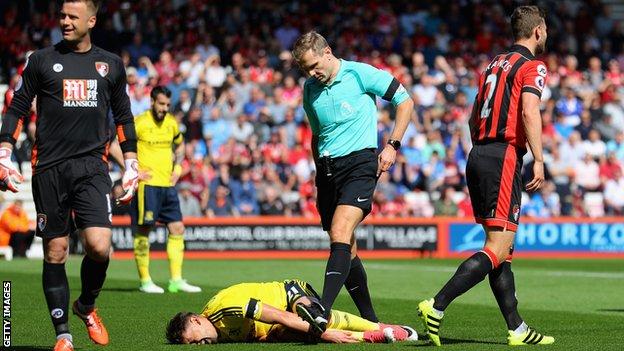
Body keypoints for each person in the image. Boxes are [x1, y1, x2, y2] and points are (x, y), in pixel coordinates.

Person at [0, 1, 139, 351]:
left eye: (72, 17)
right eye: (62, 15)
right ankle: (63, 335)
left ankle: (86, 306)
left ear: (91, 21)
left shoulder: (111, 65)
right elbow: (18, 107)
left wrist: (132, 162)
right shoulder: (41, 60)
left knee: (99, 246)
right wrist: (3, 150)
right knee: (56, 252)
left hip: (93, 168)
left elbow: (123, 117)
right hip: (49, 168)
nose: (64, 21)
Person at [417, 6, 554, 346]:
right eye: (546, 30)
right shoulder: (532, 66)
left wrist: (482, 149)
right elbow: (528, 110)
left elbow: (473, 114)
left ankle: (517, 328)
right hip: (504, 156)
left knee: (501, 251)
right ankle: (437, 304)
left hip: (479, 153)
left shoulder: (494, 64)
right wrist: (538, 158)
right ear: (537, 31)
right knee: (497, 247)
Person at [291, 31, 414, 334]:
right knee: (348, 247)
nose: (311, 73)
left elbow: (404, 100)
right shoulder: (310, 89)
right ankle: (372, 322)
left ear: (328, 52)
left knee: (340, 230)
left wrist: (392, 145)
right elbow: (317, 135)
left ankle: (323, 310)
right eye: (306, 69)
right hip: (327, 170)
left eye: (314, 65)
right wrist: (318, 171)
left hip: (360, 163)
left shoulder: (360, 74)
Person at [165, 279, 417, 344]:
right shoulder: (218, 332)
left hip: (290, 293)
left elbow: (280, 315)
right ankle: (372, 337)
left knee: (316, 319)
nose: (201, 345)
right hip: (276, 321)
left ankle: (380, 327)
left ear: (196, 321)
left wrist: (324, 334)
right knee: (291, 333)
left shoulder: (226, 309)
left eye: (195, 341)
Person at [132, 85, 201, 294]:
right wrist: (134, 170)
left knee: (177, 228)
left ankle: (176, 280)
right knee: (144, 230)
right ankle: (145, 281)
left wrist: (178, 168)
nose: (164, 108)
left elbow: (180, 146)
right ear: (152, 102)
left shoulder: (171, 123)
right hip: (147, 185)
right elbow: (119, 144)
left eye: (168, 105)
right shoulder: (140, 122)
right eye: (161, 104)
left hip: (168, 185)